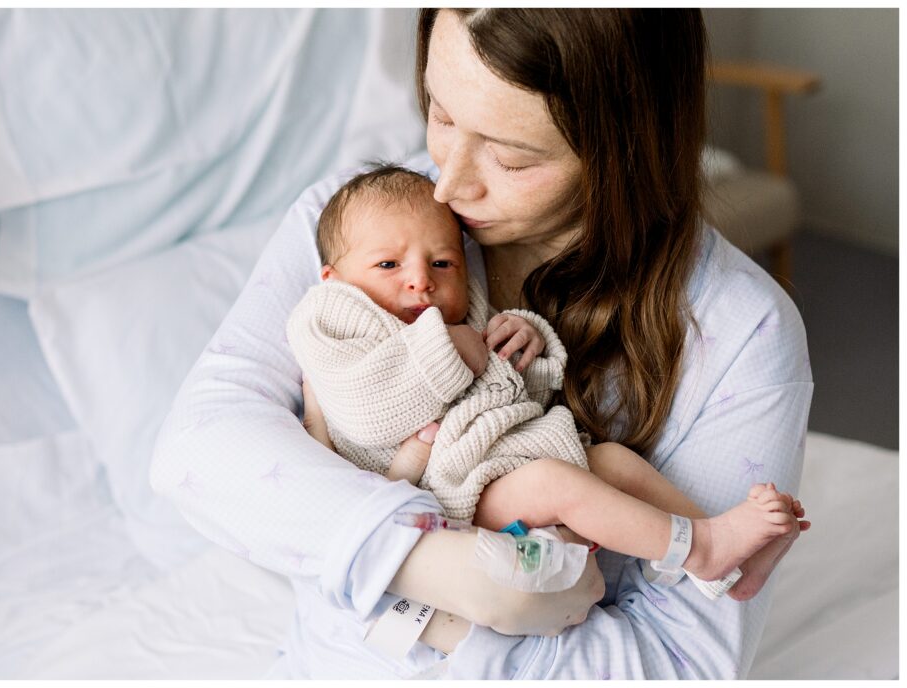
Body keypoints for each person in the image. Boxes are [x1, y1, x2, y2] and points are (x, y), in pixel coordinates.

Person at [150, 8, 813, 679]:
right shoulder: (356, 228)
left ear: (626, 144)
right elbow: (196, 449)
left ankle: (705, 546)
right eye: (438, 112)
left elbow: (680, 664)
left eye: (511, 156)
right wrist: (422, 566)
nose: (448, 185)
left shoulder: (741, 332)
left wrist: (369, 562)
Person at [288, 162, 804, 596]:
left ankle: (726, 566)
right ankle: (707, 550)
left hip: (500, 455)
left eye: (443, 262)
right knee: (555, 484)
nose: (421, 278)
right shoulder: (328, 320)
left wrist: (525, 340)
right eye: (388, 263)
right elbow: (366, 409)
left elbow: (518, 393)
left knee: (614, 462)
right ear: (334, 278)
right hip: (443, 491)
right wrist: (454, 349)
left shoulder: (452, 314)